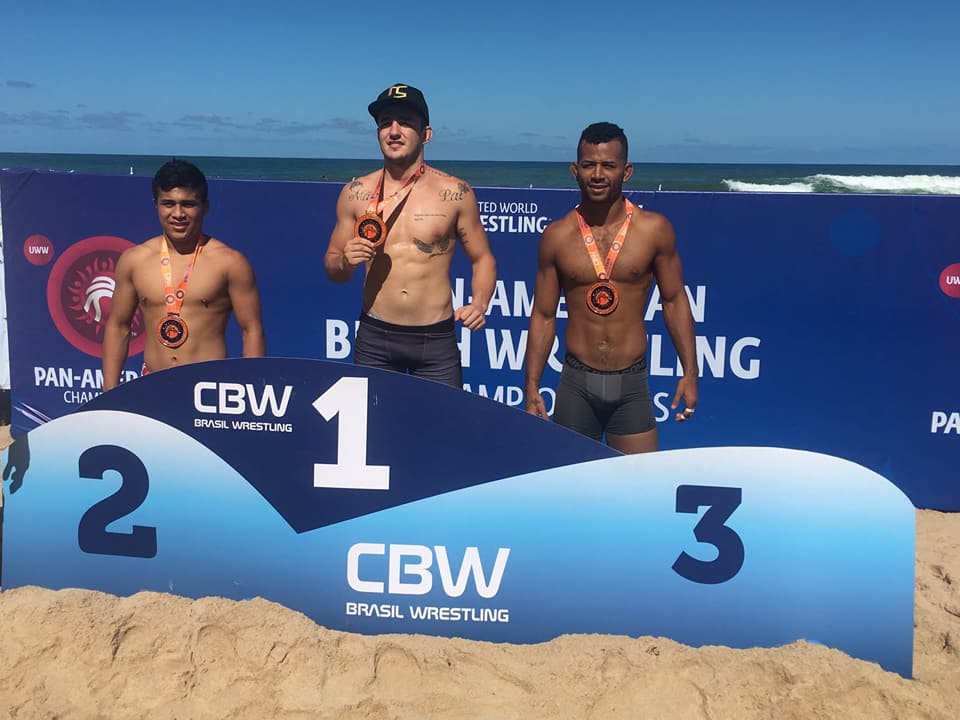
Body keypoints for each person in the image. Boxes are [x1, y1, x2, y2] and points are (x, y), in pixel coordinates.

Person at [524, 122, 698, 453]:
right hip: (576, 383)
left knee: (639, 482)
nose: (598, 174)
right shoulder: (556, 236)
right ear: (575, 170)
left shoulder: (654, 230)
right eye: (589, 165)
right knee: (571, 481)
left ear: (626, 171)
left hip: (631, 383)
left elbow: (674, 301)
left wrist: (690, 373)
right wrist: (531, 386)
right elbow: (544, 315)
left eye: (608, 165)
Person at [324, 83, 496, 388]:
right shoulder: (355, 193)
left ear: (426, 134)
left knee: (441, 419)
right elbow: (333, 267)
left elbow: (482, 259)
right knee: (375, 420)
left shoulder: (455, 193)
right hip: (375, 339)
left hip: (435, 341)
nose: (393, 131)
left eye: (404, 122)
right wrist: (345, 262)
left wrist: (479, 304)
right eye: (385, 123)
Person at [102, 160, 265, 390]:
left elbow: (251, 330)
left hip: (209, 389)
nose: (178, 214)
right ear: (156, 205)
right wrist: (109, 391)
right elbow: (118, 326)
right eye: (168, 204)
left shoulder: (230, 262)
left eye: (188, 204)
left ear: (204, 207)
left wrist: (251, 391)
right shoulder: (134, 260)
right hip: (152, 385)